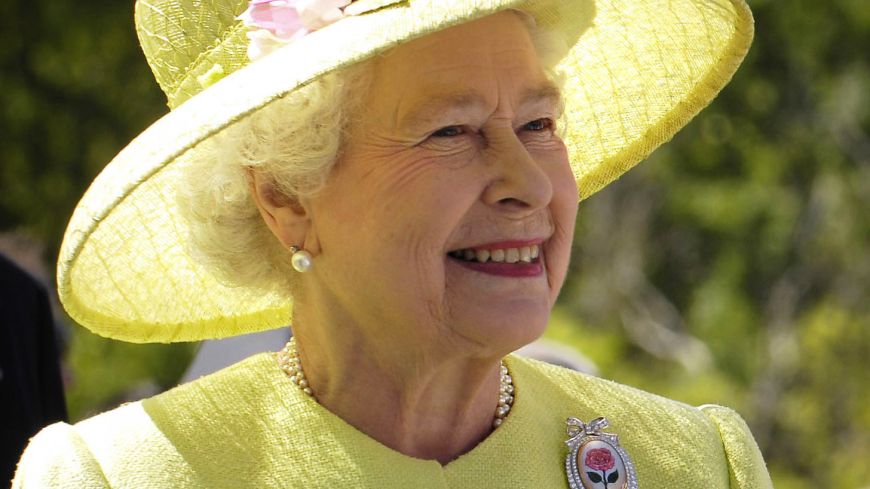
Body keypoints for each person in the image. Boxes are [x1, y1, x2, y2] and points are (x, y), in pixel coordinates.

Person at [13, 0, 772, 487]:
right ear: (284, 194)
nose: (529, 185)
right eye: (452, 131)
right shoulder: (121, 476)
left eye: (538, 125)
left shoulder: (694, 463)